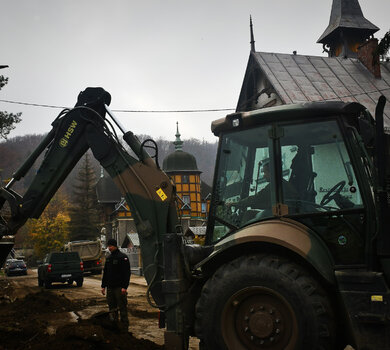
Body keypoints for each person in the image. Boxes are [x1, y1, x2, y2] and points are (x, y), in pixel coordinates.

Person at [101, 238, 131, 331]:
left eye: (110, 246)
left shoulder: (123, 257)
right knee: (112, 308)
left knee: (122, 307)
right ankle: (114, 326)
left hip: (119, 288)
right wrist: (103, 286)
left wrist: (124, 287)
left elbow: (127, 273)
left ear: (115, 246)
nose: (109, 248)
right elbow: (105, 273)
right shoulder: (109, 258)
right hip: (110, 287)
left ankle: (124, 327)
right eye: (108, 246)